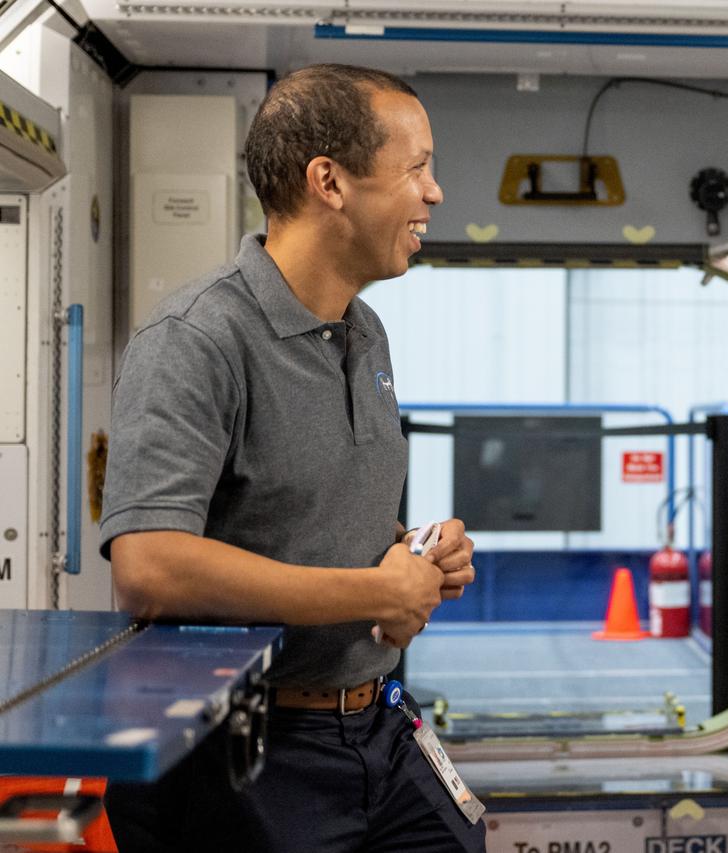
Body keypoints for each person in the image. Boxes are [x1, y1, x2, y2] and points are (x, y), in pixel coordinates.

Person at [98, 64, 486, 852]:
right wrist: (372, 588)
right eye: (417, 168)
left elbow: (317, 512)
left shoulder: (364, 331)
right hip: (244, 752)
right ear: (329, 182)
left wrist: (415, 552)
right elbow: (149, 566)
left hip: (377, 723)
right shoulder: (197, 340)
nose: (435, 193)